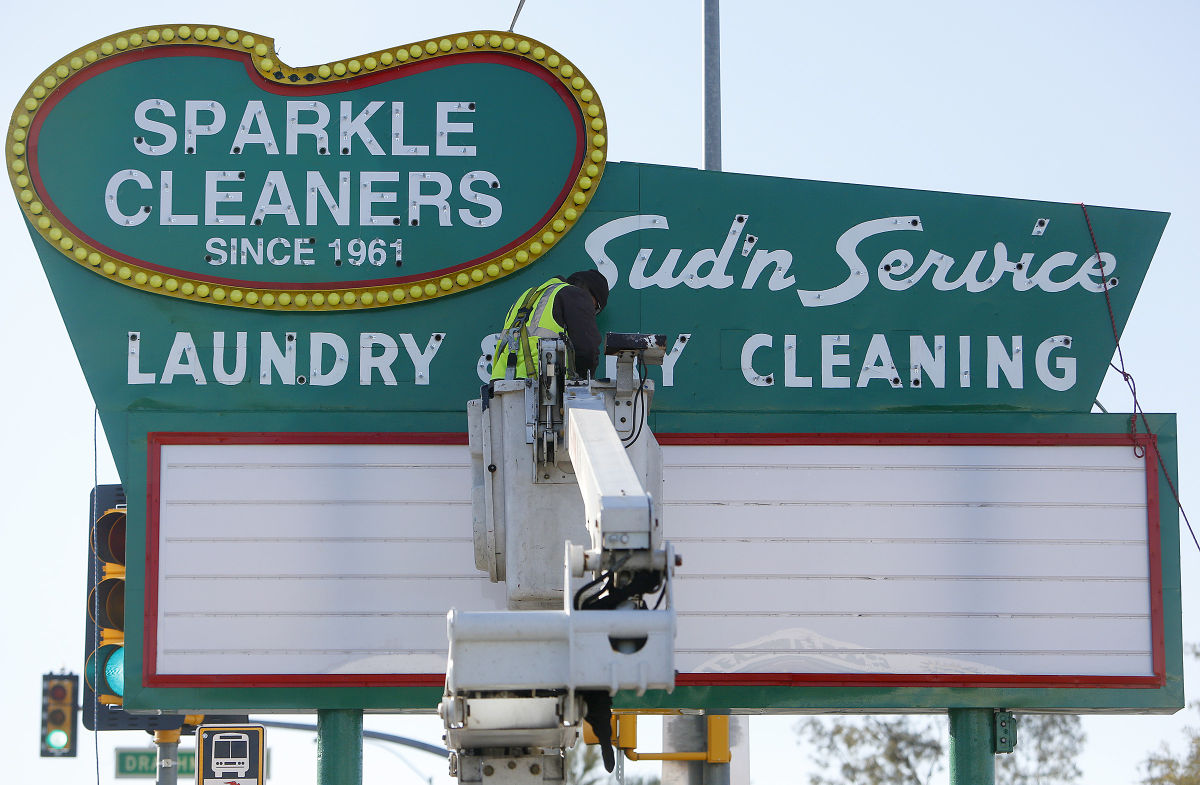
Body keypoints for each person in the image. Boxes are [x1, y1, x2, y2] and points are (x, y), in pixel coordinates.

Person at [490, 269, 609, 380]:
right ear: (591, 294)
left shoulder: (528, 295)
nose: (593, 311)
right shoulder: (576, 295)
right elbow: (586, 349)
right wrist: (584, 381)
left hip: (500, 381)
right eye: (596, 308)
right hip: (541, 384)